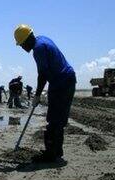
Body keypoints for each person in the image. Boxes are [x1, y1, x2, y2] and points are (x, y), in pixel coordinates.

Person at [14, 24, 76, 162]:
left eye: (22, 44)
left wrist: (36, 95)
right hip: (62, 81)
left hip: (63, 82)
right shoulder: (42, 39)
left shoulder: (39, 49)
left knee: (55, 119)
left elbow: (42, 75)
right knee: (56, 119)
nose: (23, 48)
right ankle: (55, 152)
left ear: (27, 40)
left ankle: (51, 154)